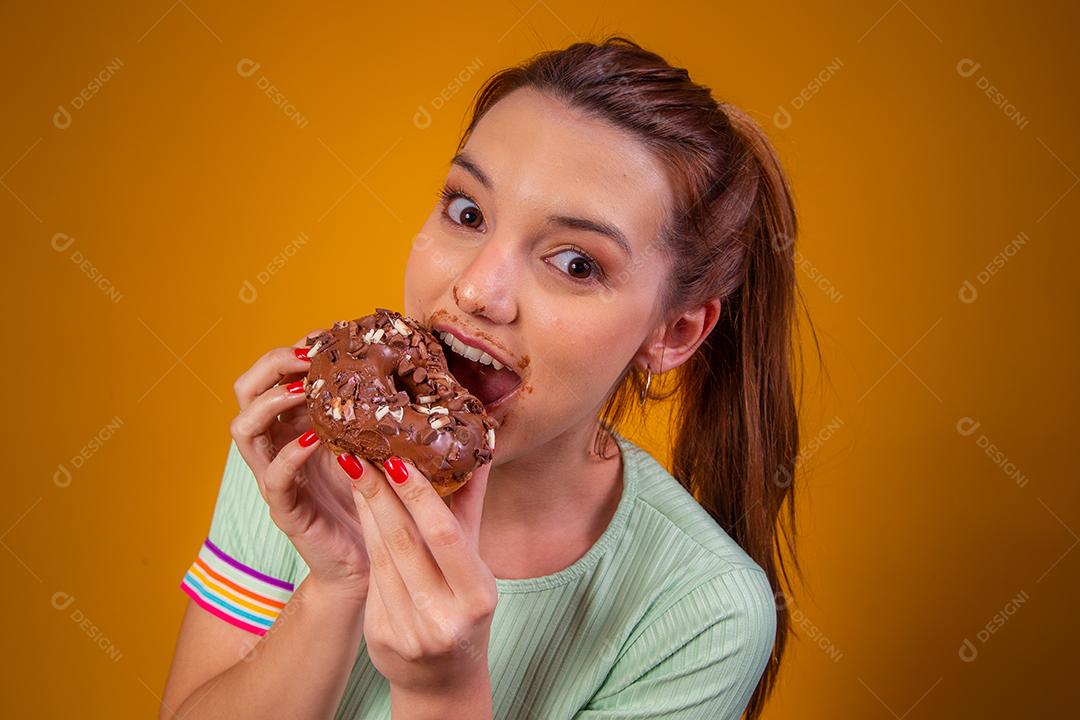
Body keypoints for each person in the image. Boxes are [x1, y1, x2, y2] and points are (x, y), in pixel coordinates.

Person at [161, 35, 811, 720]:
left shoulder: (702, 613)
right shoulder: (302, 447)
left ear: (672, 332)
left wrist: (443, 690)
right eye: (468, 213)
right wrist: (335, 585)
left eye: (576, 264)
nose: (476, 290)